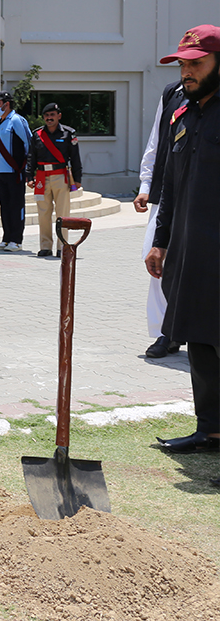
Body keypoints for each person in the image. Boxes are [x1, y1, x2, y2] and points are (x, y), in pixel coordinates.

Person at [145, 25, 220, 457]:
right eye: (183, 64)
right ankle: (210, 431)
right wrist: (161, 241)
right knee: (200, 341)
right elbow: (170, 187)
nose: (186, 72)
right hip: (192, 252)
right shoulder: (182, 113)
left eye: (196, 63)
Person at [135, 80, 186, 359]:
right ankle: (165, 332)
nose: (187, 71)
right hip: (166, 192)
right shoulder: (172, 93)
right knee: (156, 260)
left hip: (205, 196)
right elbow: (156, 141)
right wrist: (145, 186)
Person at [24, 103, 82, 258]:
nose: (49, 118)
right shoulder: (37, 135)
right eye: (46, 116)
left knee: (62, 213)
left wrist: (77, 179)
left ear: (59, 116)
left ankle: (62, 246)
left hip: (60, 176)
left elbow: (75, 157)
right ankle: (45, 246)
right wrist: (29, 177)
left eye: (52, 115)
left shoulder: (69, 134)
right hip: (42, 177)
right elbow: (31, 157)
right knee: (43, 213)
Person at [0, 91, 31, 252]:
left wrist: (27, 170)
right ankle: (6, 238)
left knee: (16, 206)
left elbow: (28, 144)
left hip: (15, 171)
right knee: (5, 206)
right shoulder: (0, 122)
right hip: (1, 172)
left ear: (7, 104)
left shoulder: (16, 120)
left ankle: (16, 239)